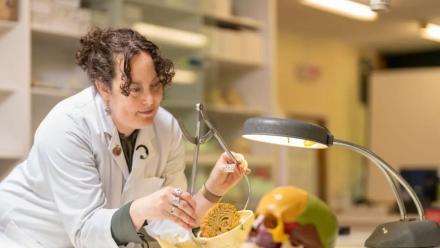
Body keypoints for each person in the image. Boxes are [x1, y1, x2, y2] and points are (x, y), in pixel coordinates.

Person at [0, 27, 250, 248]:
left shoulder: (166, 128)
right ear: (104, 88)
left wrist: (214, 189)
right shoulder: (67, 126)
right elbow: (86, 232)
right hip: (26, 238)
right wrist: (143, 207)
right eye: (134, 89)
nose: (150, 100)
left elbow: (172, 225)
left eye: (155, 85)